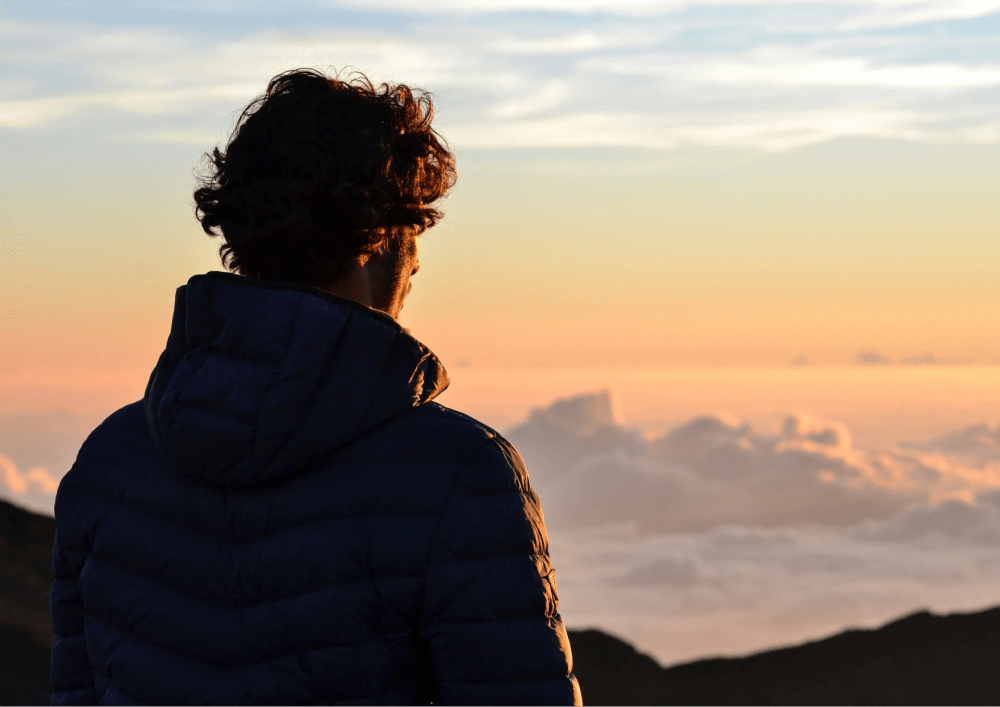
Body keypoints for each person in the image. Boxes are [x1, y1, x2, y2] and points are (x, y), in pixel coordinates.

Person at [49, 68, 583, 707]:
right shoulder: (459, 474)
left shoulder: (109, 462)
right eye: (416, 237)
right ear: (382, 239)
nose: (416, 268)